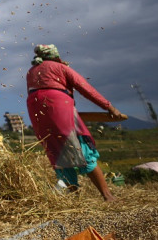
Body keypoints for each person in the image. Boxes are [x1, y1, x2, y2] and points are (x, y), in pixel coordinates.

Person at [25, 44, 124, 202]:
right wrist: (109, 107)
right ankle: (108, 196)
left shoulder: (31, 72)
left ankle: (74, 199)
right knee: (81, 147)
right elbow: (85, 88)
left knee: (58, 151)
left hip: (36, 110)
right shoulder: (60, 67)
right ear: (55, 56)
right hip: (58, 105)